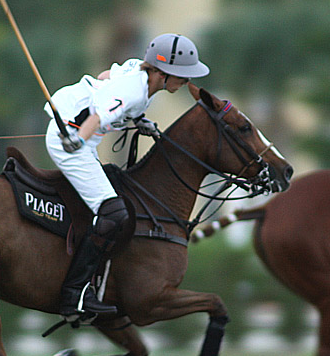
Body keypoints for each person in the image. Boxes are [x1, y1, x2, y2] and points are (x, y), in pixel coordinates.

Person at [45, 33, 210, 318]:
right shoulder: (133, 90)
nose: (186, 82)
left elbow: (105, 74)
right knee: (114, 213)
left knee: (107, 206)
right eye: (182, 76)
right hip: (71, 139)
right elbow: (97, 118)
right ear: (162, 73)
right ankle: (76, 295)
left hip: (81, 138)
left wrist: (137, 119)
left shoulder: (140, 73)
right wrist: (78, 141)